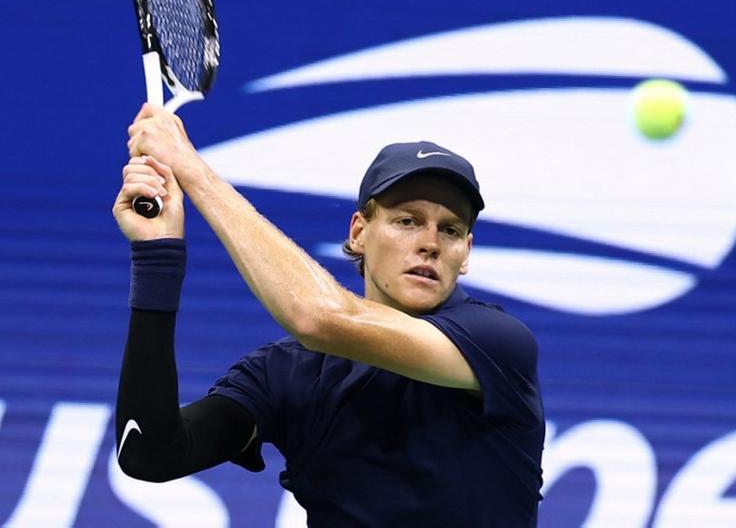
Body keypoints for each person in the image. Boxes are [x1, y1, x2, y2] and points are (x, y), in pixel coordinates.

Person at [113, 103, 545, 527]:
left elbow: (320, 318)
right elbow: (149, 453)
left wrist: (189, 168)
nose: (430, 243)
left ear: (465, 253)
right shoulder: (287, 373)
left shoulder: (497, 344)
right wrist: (157, 256)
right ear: (358, 232)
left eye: (450, 229)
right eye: (407, 221)